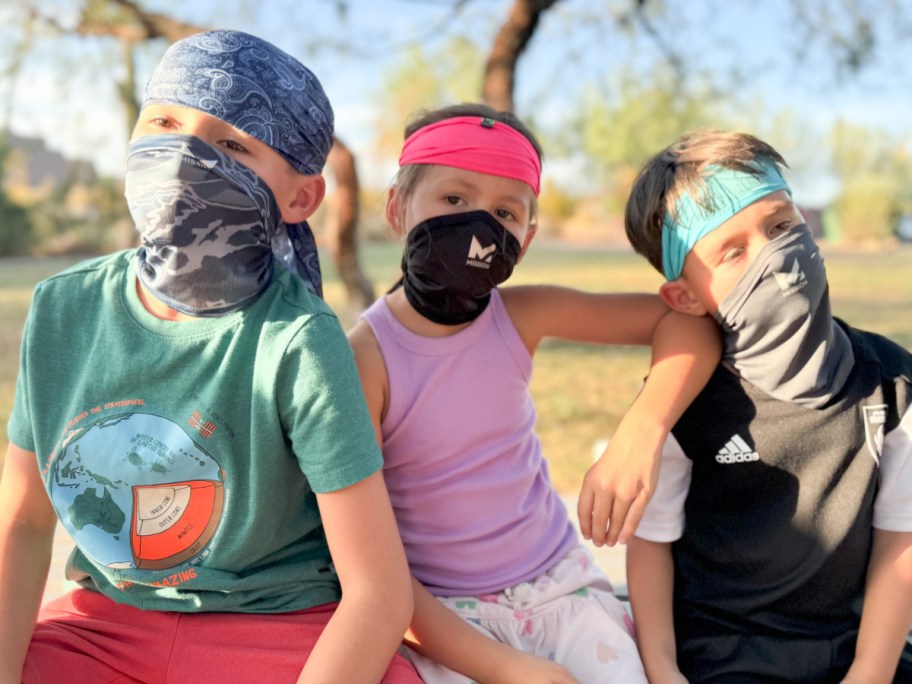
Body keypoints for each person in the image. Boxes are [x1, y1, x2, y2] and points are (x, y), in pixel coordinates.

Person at [0, 30, 419, 684]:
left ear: (301, 198)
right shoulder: (62, 310)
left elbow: (380, 594)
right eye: (164, 121)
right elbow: (23, 523)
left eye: (231, 145)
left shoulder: (300, 341)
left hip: (279, 626)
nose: (181, 156)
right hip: (106, 625)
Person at [346, 102, 722, 684]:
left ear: (527, 235)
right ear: (397, 208)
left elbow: (690, 324)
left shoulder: (522, 314)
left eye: (504, 211)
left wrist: (638, 434)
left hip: (560, 590)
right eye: (452, 199)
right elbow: (372, 572)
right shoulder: (364, 357)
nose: (477, 226)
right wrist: (513, 670)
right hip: (443, 622)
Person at [623, 129, 912, 683]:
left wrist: (869, 672)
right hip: (728, 654)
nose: (777, 258)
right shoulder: (688, 402)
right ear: (685, 296)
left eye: (782, 226)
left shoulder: (892, 382)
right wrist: (662, 669)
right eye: (732, 251)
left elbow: (900, 541)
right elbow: (652, 544)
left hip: (863, 649)